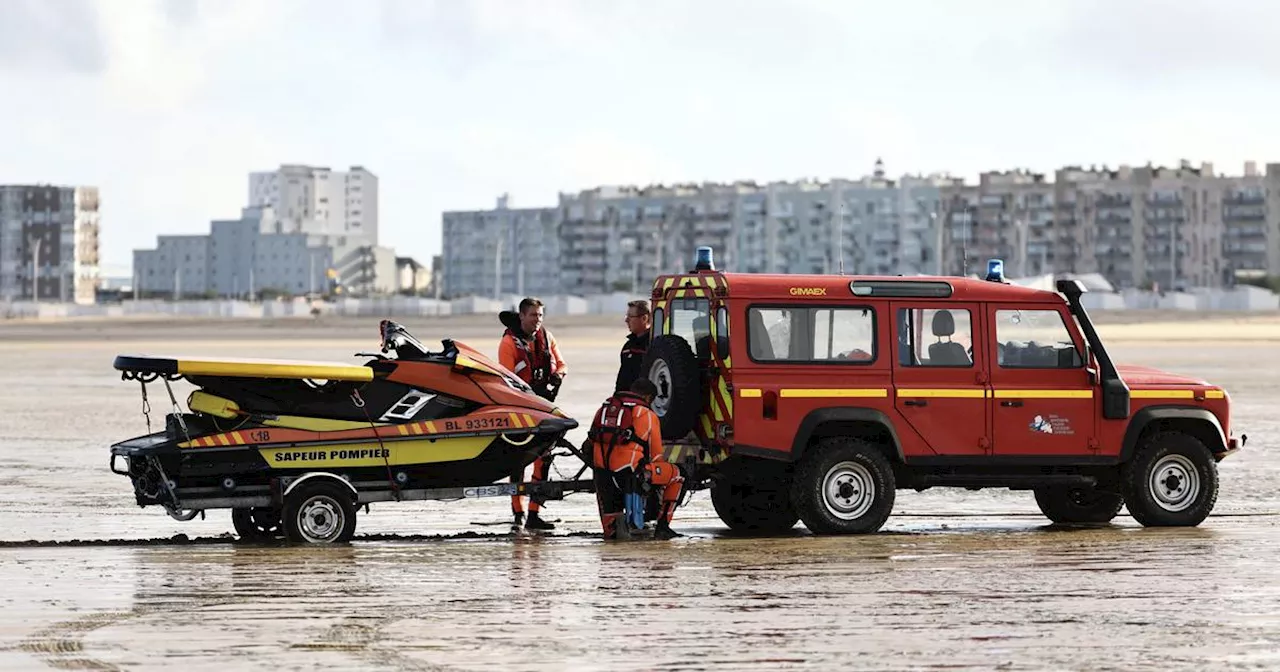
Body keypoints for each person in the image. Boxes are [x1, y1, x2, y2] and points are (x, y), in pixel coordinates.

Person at [498, 297, 568, 531]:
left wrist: (557, 376)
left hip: (544, 405)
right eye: (533, 316)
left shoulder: (547, 338)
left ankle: (534, 513)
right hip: (520, 409)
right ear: (522, 316)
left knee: (544, 460)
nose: (537, 320)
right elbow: (507, 379)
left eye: (540, 316)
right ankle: (517, 512)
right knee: (518, 461)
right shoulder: (509, 343)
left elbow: (561, 364)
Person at [588, 378, 684, 540]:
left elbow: (589, 444)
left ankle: (610, 528)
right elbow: (657, 456)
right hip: (631, 476)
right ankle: (663, 526)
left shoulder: (604, 409)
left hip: (603, 477)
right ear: (648, 398)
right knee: (677, 476)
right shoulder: (647, 414)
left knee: (603, 483)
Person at [614, 300, 652, 394]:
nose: (626, 320)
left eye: (630, 317)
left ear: (644, 318)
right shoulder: (628, 346)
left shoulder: (652, 345)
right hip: (625, 399)